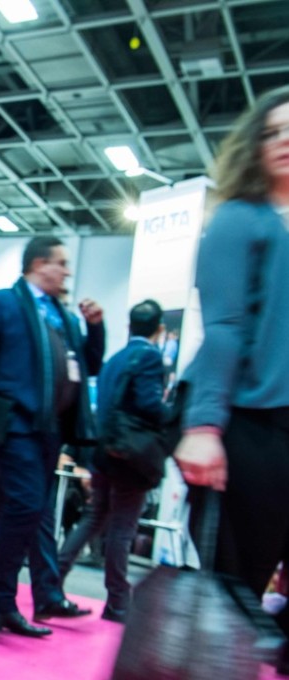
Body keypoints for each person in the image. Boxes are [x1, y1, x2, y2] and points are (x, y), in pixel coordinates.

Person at [173, 85, 289, 674]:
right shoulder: (241, 221)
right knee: (233, 593)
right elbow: (222, 328)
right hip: (246, 424)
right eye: (273, 131)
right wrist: (205, 425)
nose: (286, 140)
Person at [0, 236, 104, 636]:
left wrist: (95, 328)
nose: (67, 271)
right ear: (39, 263)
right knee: (23, 507)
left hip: (49, 432)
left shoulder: (64, 317)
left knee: (19, 509)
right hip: (12, 425)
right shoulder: (1, 302)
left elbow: (88, 365)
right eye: (61, 263)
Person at [57, 299, 168, 623]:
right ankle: (118, 602)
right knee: (122, 528)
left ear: (130, 325)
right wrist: (172, 413)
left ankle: (54, 577)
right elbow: (149, 404)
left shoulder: (115, 359)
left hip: (104, 452)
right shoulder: (149, 357)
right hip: (130, 456)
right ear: (159, 329)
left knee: (94, 519)